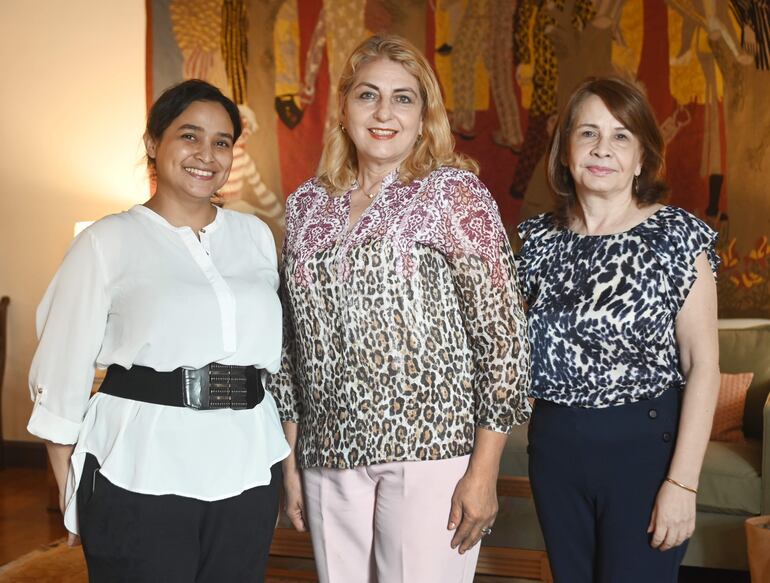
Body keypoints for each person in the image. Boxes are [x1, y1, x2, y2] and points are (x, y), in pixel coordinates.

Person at [269, 35, 531, 583]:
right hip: (326, 453)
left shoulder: (454, 194)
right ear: (344, 108)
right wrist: (289, 462)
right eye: (368, 95)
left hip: (430, 451)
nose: (384, 113)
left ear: (424, 115)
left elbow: (504, 341)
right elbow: (289, 349)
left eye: (403, 98)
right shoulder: (305, 205)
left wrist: (483, 472)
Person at [27, 79, 289, 583]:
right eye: (189, 136)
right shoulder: (107, 242)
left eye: (221, 142)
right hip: (140, 466)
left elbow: (271, 360)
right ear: (154, 143)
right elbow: (61, 374)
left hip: (248, 461)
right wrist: (72, 493)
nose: (205, 155)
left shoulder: (254, 236)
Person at [516, 76, 720, 583]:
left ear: (644, 157)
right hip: (554, 450)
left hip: (644, 451)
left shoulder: (676, 236)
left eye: (621, 135)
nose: (602, 149)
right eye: (588, 133)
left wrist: (683, 484)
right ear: (565, 151)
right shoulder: (537, 241)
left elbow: (703, 367)